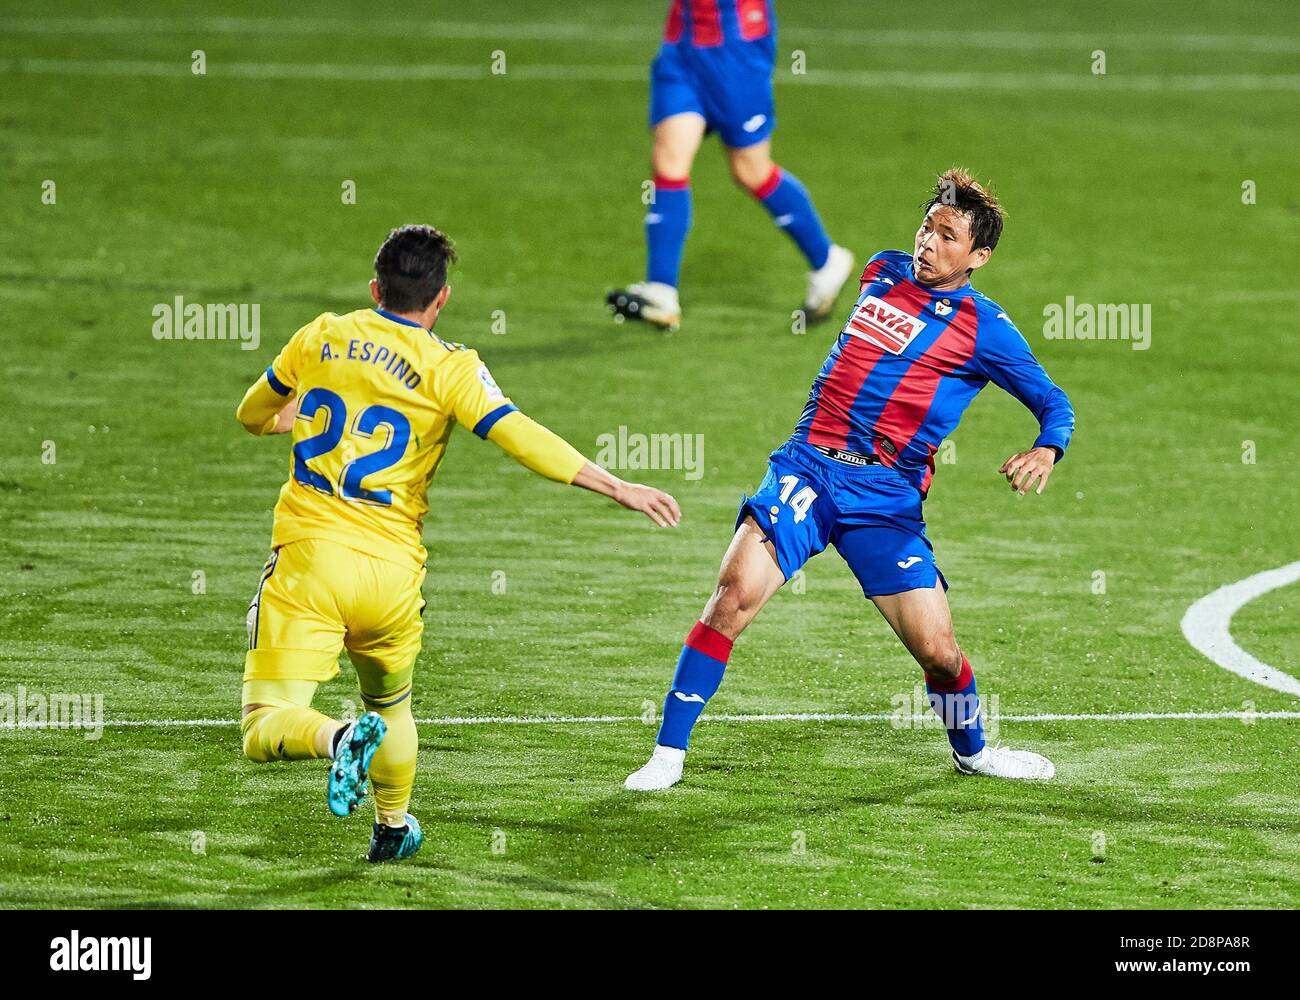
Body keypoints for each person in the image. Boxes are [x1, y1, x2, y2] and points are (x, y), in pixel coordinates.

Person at [235, 225, 680, 860]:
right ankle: (393, 827)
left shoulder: (321, 335)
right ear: (439, 299)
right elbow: (518, 434)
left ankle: (337, 741)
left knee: (264, 722)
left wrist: (290, 415)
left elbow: (253, 413)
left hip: (311, 562)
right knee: (390, 703)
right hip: (392, 577)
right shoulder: (451, 367)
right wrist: (615, 486)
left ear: (375, 287)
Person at [625, 170, 1075, 791]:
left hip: (886, 500)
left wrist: (1047, 449)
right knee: (732, 594)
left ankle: (973, 751)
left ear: (978, 256)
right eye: (926, 226)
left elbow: (1054, 401)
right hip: (808, 466)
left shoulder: (986, 329)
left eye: (947, 236)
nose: (927, 242)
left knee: (939, 653)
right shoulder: (880, 271)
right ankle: (667, 754)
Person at [606, 0, 855, 331]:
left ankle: (827, 261)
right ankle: (661, 290)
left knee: (750, 170)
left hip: (737, 46)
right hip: (683, 40)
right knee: (669, 159)